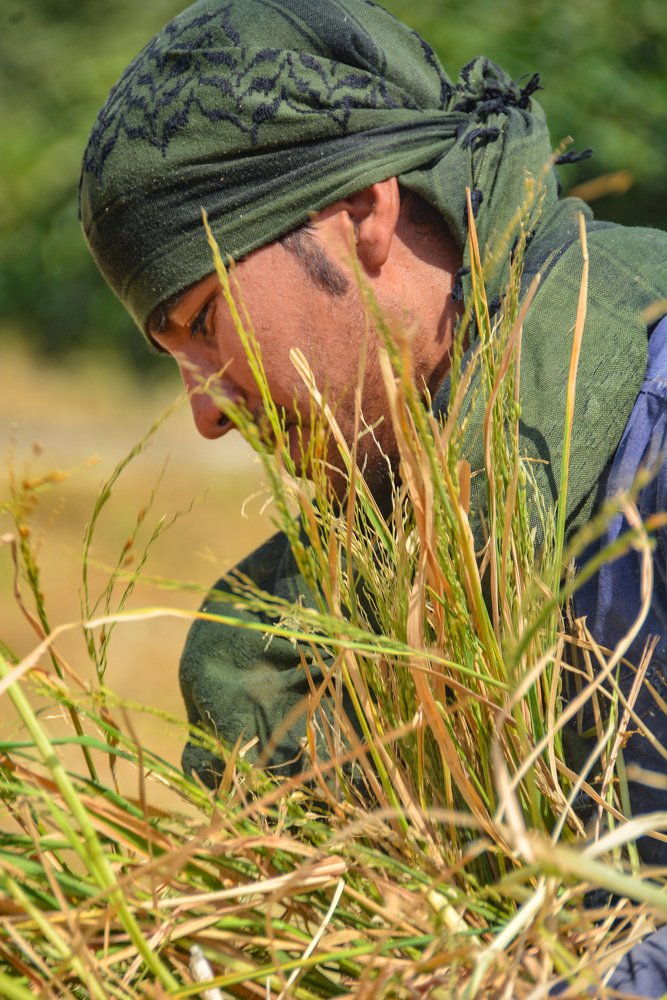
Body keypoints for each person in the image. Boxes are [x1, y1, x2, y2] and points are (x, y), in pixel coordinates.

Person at [80, 0, 666, 843]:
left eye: (204, 321)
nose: (205, 412)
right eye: (169, 355)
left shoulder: (647, 442)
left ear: (361, 212)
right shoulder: (309, 616)